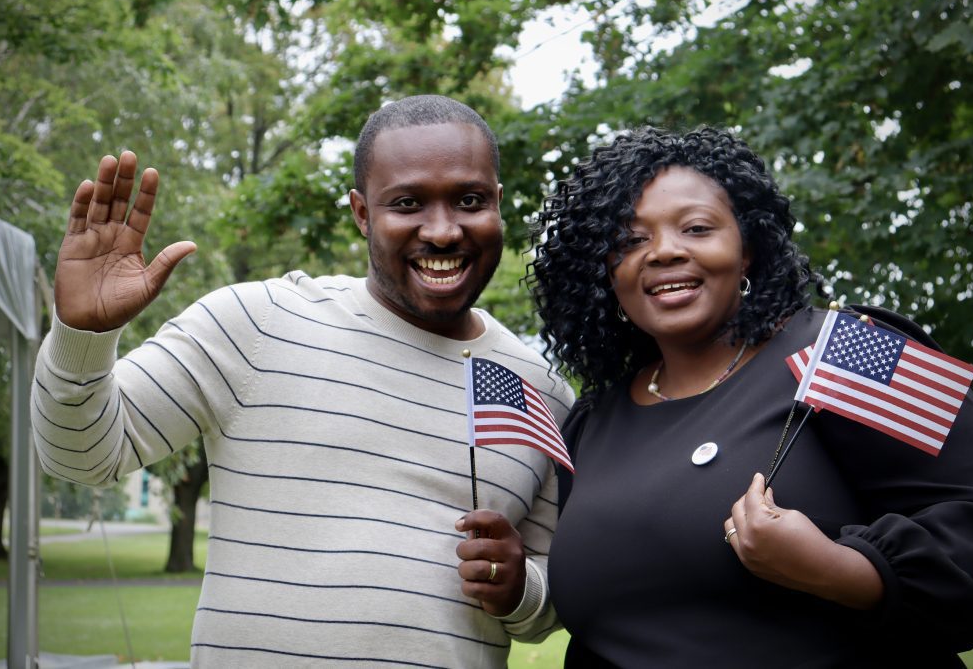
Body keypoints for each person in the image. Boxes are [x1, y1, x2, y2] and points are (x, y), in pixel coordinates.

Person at [31, 94, 574, 667]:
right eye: (408, 203)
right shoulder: (255, 322)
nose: (442, 232)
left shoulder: (542, 392)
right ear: (362, 212)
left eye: (469, 200)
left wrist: (521, 591)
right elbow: (80, 458)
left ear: (498, 203)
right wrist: (81, 337)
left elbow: (552, 596)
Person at [530, 125, 973, 667]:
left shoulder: (844, 348)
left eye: (697, 228)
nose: (663, 252)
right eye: (631, 240)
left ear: (747, 247)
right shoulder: (592, 422)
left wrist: (840, 569)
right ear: (607, 272)